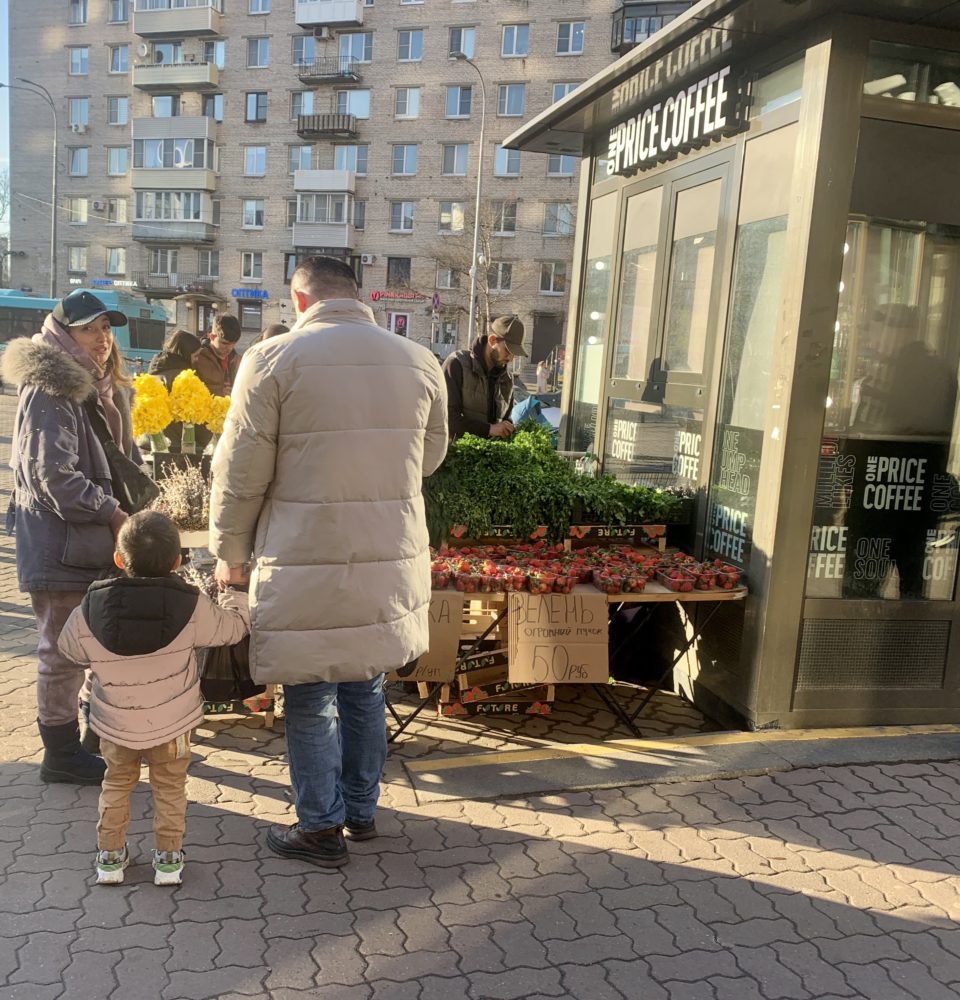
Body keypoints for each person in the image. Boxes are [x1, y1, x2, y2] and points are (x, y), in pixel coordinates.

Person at [209, 255, 448, 868]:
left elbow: (240, 475)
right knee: (366, 682)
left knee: (310, 693)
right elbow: (428, 459)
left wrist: (230, 554)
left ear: (299, 298)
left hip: (303, 553)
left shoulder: (271, 360)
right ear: (358, 297)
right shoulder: (419, 360)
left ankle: (319, 827)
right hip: (385, 552)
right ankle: (361, 812)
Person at [58, 511, 250, 886]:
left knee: (115, 785)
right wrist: (235, 594)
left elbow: (68, 650)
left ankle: (110, 857)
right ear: (177, 562)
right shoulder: (190, 604)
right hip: (172, 726)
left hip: (114, 724)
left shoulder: (92, 605)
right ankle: (168, 859)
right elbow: (233, 629)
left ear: (118, 559)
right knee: (170, 788)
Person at [1, 289, 140, 785]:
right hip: (60, 545)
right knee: (61, 654)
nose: (102, 339)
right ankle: (59, 755)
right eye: (90, 329)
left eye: (106, 328)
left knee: (93, 649)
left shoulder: (98, 388)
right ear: (64, 333)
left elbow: (117, 460)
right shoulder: (52, 389)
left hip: (89, 544)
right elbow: (52, 476)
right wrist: (112, 511)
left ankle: (89, 740)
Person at [442, 314, 527, 441]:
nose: (510, 358)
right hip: (456, 455)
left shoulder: (507, 379)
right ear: (492, 340)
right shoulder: (456, 364)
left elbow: (504, 420)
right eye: (507, 351)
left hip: (489, 457)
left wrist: (508, 428)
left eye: (514, 354)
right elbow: (446, 417)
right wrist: (489, 429)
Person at [148, 329, 204, 453]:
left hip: (151, 443)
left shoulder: (153, 373)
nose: (197, 360)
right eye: (195, 355)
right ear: (185, 353)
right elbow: (193, 417)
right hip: (178, 446)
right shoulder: (184, 378)